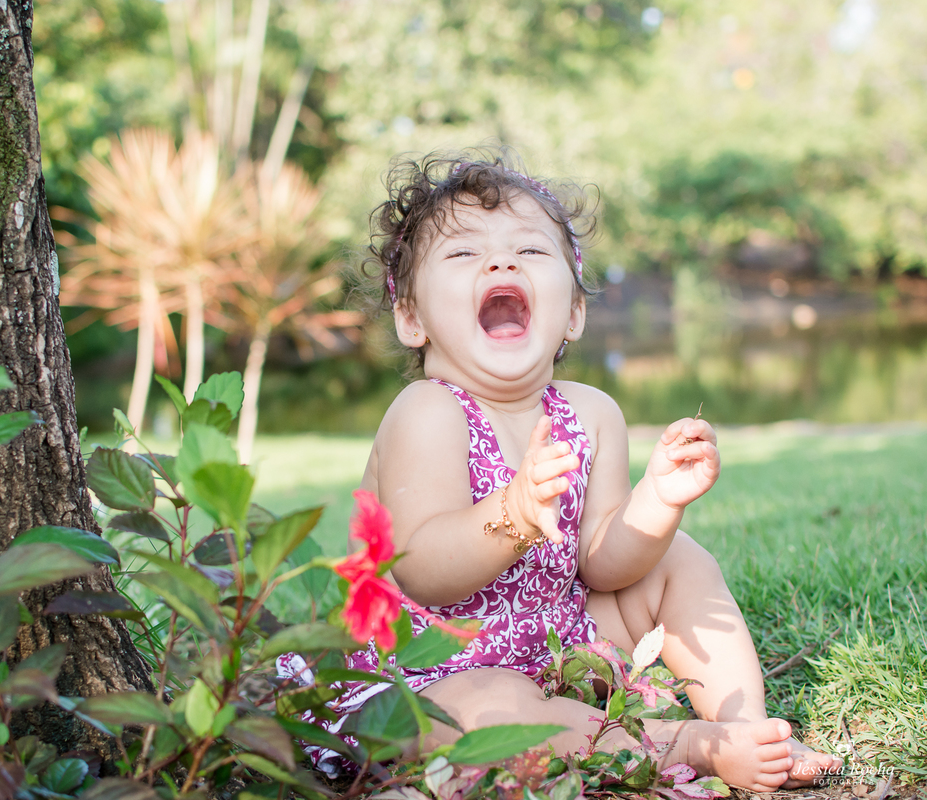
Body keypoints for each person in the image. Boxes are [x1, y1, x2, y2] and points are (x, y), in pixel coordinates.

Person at [301, 150, 840, 789]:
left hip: (556, 642)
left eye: (529, 251)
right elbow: (421, 572)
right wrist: (515, 513)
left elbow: (604, 564)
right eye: (463, 254)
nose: (500, 263)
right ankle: (682, 743)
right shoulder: (427, 412)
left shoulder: (592, 413)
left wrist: (658, 502)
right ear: (412, 318)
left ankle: (746, 724)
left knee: (679, 560)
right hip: (425, 674)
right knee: (491, 712)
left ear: (574, 313)